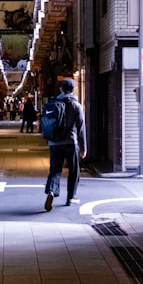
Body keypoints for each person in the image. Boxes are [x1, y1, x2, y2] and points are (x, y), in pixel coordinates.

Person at [43, 78, 86, 211]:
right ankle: (70, 197)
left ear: (61, 89)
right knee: (74, 170)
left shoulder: (53, 103)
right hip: (70, 142)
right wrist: (83, 147)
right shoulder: (75, 105)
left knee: (55, 170)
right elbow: (81, 127)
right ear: (74, 90)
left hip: (54, 143)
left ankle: (51, 191)